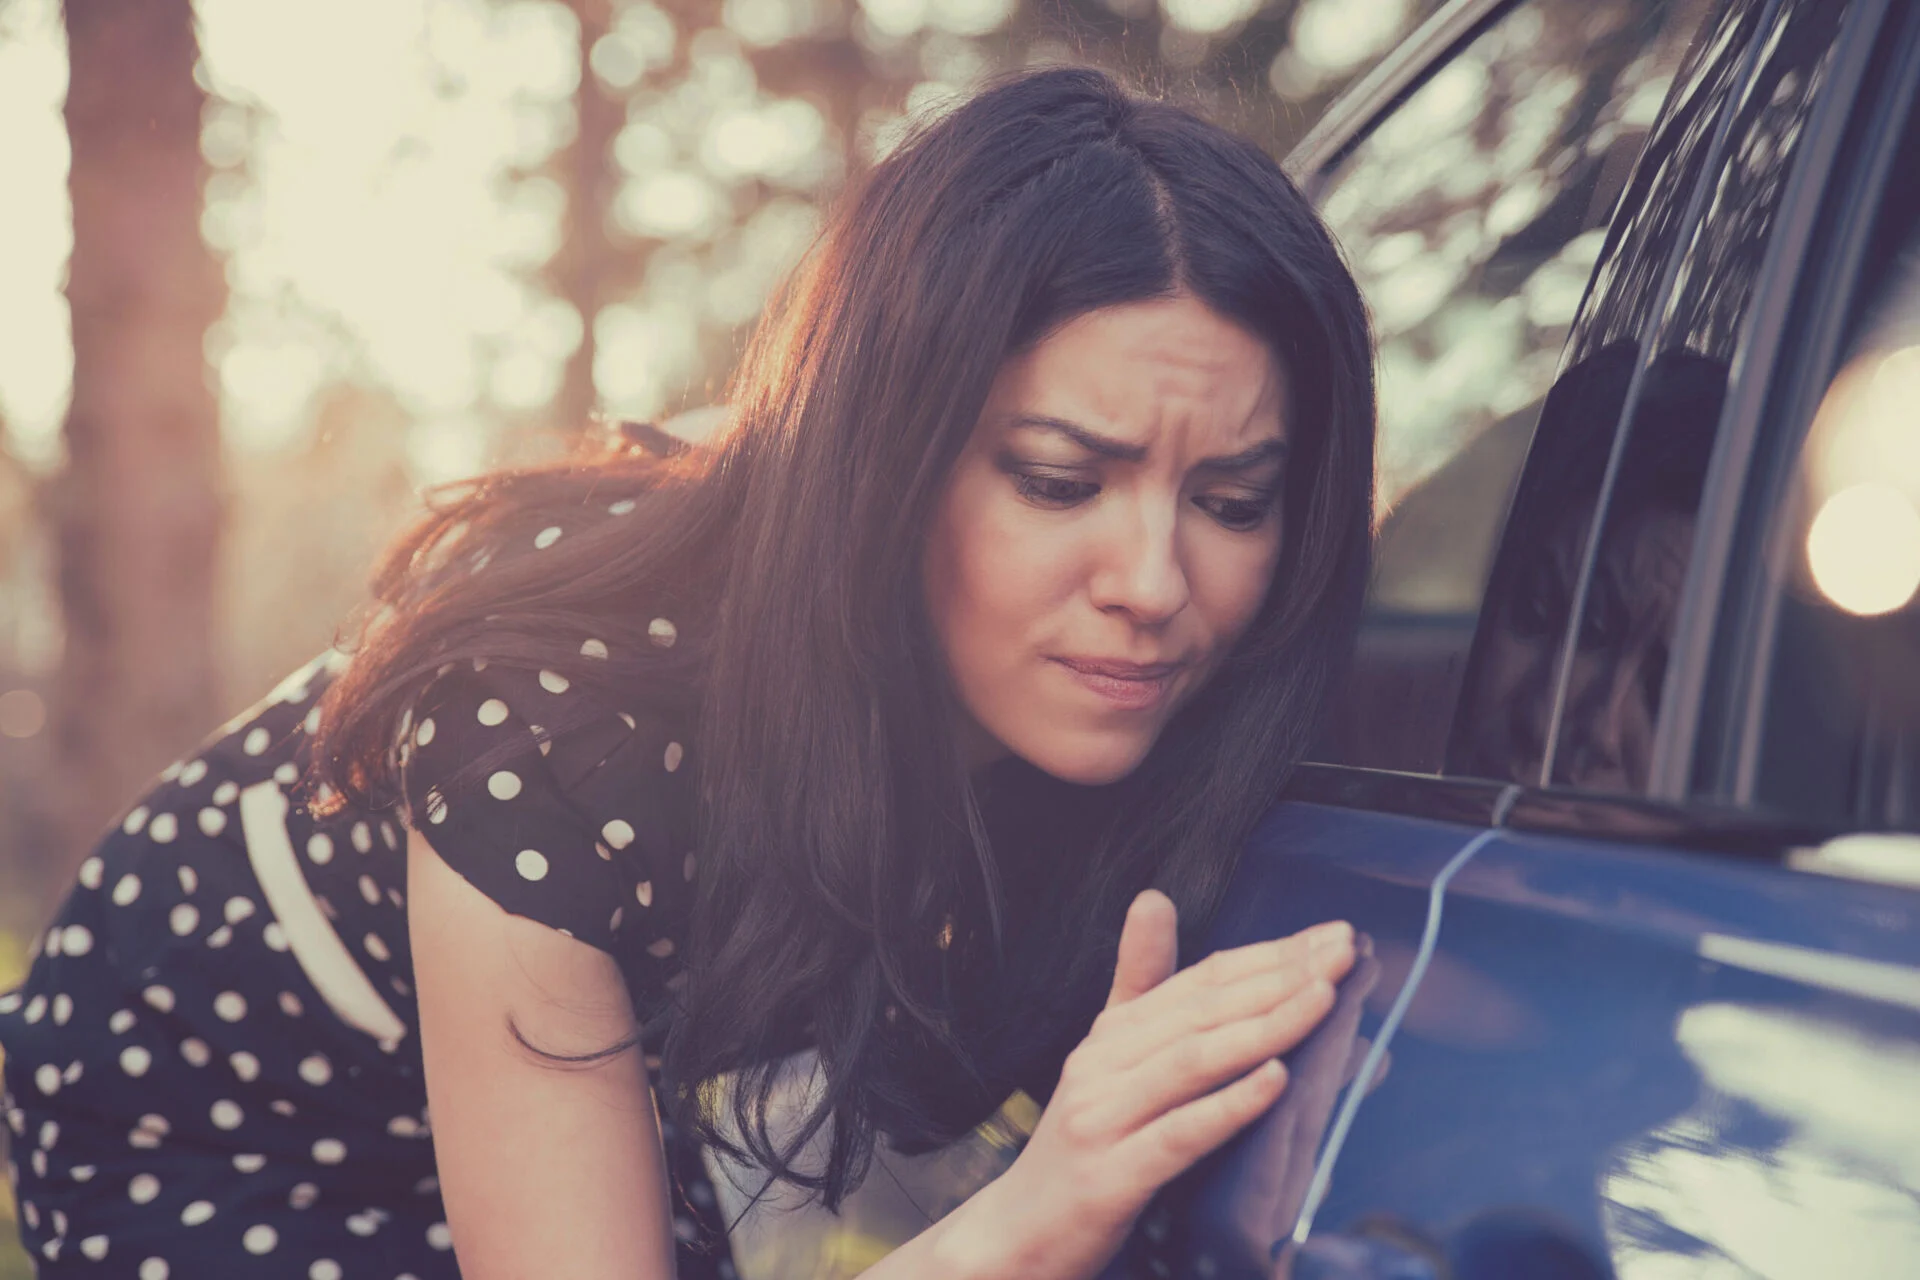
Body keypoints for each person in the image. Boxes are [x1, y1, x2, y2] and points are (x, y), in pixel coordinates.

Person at [0, 65, 1375, 1279]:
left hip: (582, 1073)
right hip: (233, 1116)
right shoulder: (553, 720)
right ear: (886, 458)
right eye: (1061, 480)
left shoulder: (1163, 685)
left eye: (1236, 501)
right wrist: (1047, 1206)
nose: (1152, 582)